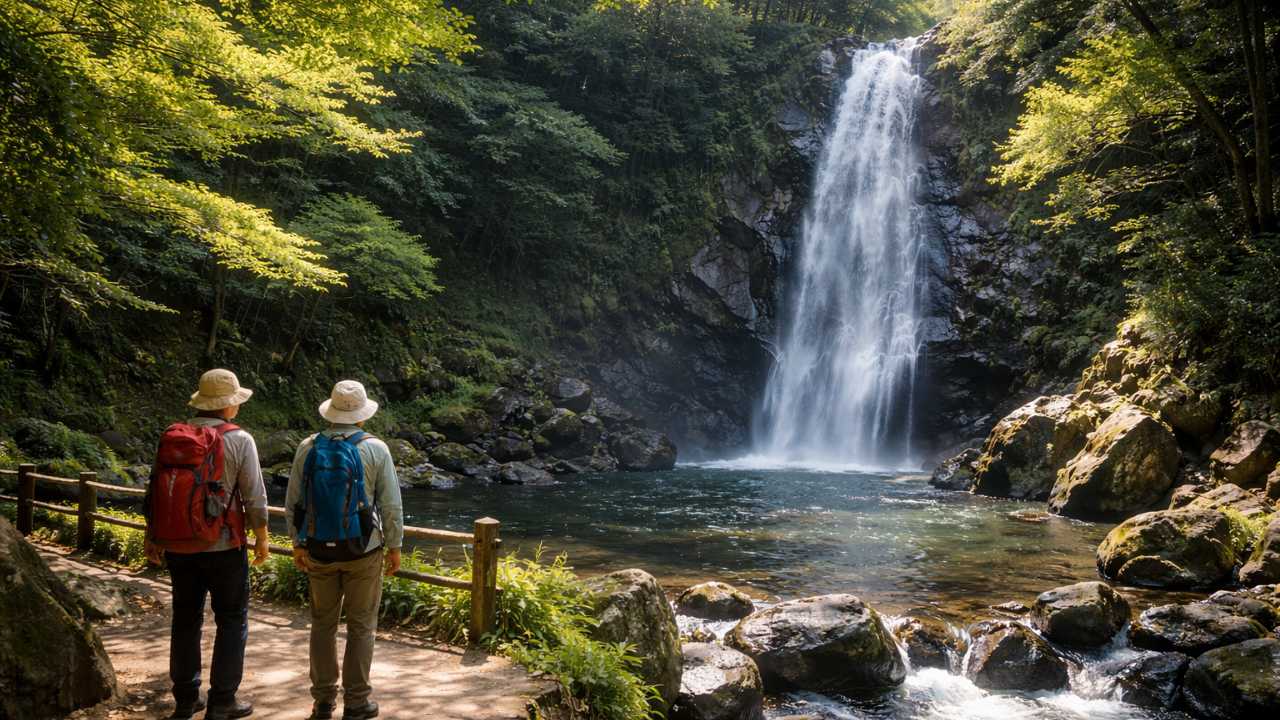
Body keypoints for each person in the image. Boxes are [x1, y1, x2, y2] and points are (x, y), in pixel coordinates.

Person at [145, 368, 270, 720]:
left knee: (186, 618)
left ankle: (186, 699)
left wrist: (152, 536)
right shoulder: (240, 439)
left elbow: (155, 489)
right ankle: (223, 701)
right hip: (225, 545)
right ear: (228, 406)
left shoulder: (173, 436)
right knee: (232, 620)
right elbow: (254, 497)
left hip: (178, 545)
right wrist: (261, 537)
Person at [286, 380, 403, 720]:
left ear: (331, 412)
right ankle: (357, 701)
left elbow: (294, 500)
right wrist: (394, 545)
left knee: (322, 623)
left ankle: (323, 701)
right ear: (362, 416)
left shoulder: (308, 447)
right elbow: (391, 504)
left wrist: (297, 542)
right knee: (362, 625)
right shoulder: (376, 449)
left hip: (319, 549)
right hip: (364, 550)